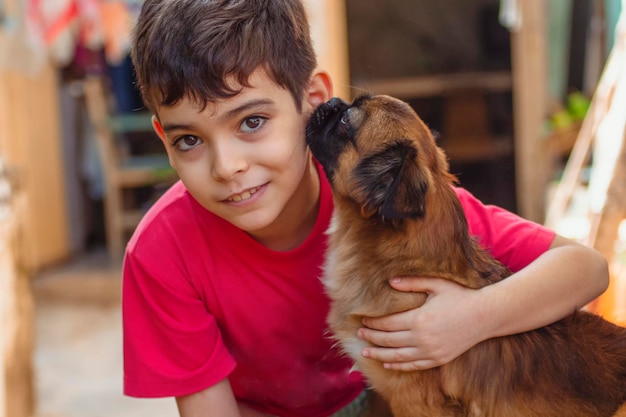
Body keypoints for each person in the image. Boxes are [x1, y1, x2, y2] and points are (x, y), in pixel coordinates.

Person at [122, 1, 609, 416]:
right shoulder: (162, 254)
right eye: (189, 139)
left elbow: (585, 268)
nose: (227, 167)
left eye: (251, 122)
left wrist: (472, 317)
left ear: (313, 101)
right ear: (163, 137)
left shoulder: (379, 193)